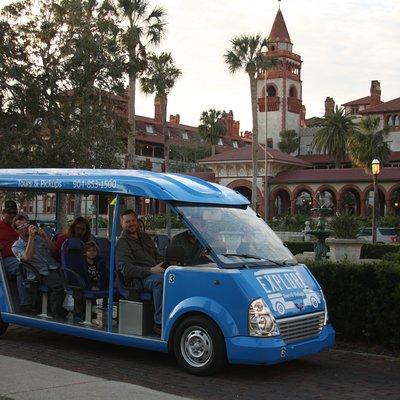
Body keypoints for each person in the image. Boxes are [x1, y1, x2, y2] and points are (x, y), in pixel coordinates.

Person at [116, 209, 164, 335]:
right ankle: (159, 322)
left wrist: (166, 265)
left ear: (137, 221)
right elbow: (127, 270)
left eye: (133, 220)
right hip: (137, 280)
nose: (131, 224)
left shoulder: (145, 237)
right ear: (122, 224)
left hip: (155, 272)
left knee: (175, 277)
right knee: (161, 281)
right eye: (127, 222)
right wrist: (151, 270)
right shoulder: (122, 243)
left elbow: (157, 256)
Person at [12, 214, 67, 318]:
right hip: (38, 272)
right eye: (22, 226)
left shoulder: (39, 238)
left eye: (27, 224)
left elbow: (53, 250)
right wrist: (31, 237)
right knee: (59, 286)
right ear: (16, 231)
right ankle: (55, 311)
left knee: (72, 280)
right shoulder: (16, 246)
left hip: (53, 267)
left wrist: (44, 236)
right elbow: (27, 258)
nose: (26, 228)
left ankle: (58, 307)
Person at [0, 201, 33, 312]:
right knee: (21, 267)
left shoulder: (20, 225)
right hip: (5, 259)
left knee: (37, 266)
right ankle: (25, 303)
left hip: (23, 255)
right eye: (8, 212)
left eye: (14, 212)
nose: (11, 215)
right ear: (3, 212)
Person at [73, 241, 108, 323]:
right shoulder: (81, 263)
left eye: (94, 250)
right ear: (85, 252)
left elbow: (104, 276)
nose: (92, 253)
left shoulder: (100, 261)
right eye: (89, 250)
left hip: (99, 284)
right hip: (86, 284)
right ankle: (80, 314)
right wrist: (90, 286)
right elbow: (81, 277)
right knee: (79, 293)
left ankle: (92, 314)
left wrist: (99, 286)